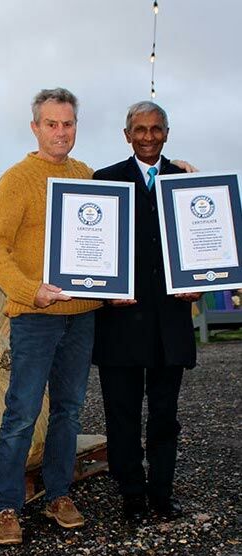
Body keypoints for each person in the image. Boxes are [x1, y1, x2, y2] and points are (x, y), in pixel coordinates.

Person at [0, 88, 101, 545]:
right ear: (35, 127)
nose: (60, 132)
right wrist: (31, 290)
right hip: (35, 314)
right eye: (51, 123)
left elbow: (112, 231)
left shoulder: (87, 176)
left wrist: (178, 175)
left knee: (69, 411)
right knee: (22, 412)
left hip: (82, 313)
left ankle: (58, 495)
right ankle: (8, 506)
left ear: (75, 127)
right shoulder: (16, 180)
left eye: (67, 123)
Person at [92, 101, 200, 522]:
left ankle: (162, 495)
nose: (149, 136)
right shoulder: (105, 181)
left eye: (156, 129)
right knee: (121, 417)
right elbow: (92, 255)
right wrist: (103, 292)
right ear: (127, 135)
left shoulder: (188, 183)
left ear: (167, 133)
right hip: (120, 323)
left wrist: (198, 286)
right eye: (140, 129)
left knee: (164, 417)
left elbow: (200, 249)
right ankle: (132, 497)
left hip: (169, 326)